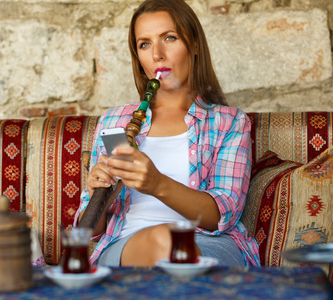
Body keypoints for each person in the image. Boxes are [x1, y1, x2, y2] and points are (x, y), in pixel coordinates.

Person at [74, 0, 260, 267]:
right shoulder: (114, 121)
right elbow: (87, 234)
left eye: (169, 38)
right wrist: (99, 194)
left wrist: (157, 184)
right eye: (145, 44)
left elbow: (222, 215)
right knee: (162, 241)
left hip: (207, 244)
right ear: (138, 57)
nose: (157, 54)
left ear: (194, 45)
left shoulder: (229, 122)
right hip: (124, 246)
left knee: (168, 242)